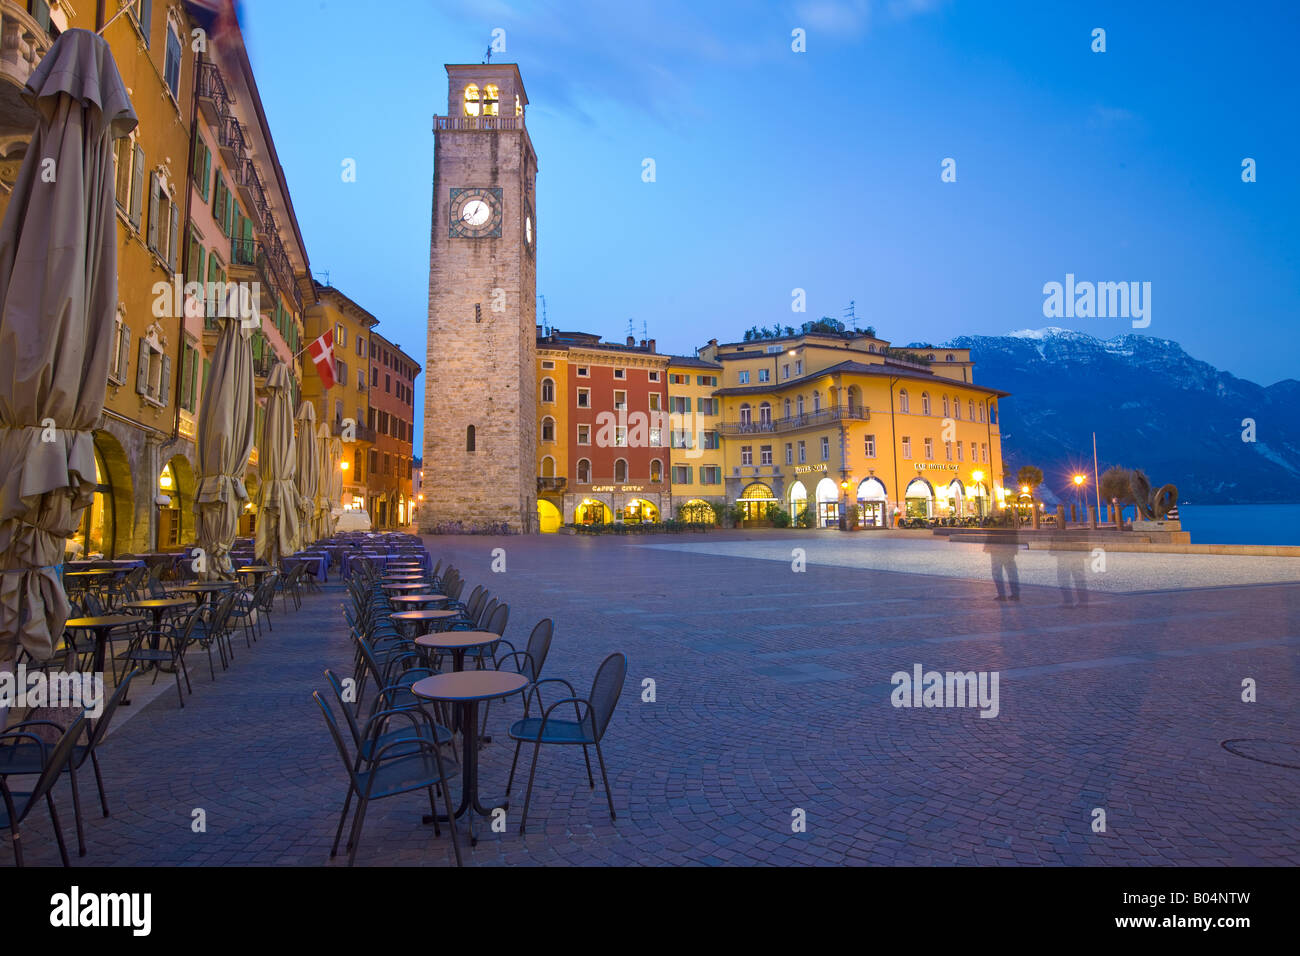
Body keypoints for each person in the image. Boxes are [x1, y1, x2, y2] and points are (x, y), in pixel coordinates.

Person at [984, 515, 1021, 601]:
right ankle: (1015, 594)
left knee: (997, 572)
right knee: (1011, 572)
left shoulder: (994, 522)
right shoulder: (1009, 520)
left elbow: (989, 533)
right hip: (1008, 550)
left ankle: (1002, 594)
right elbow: (1014, 534)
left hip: (997, 550)